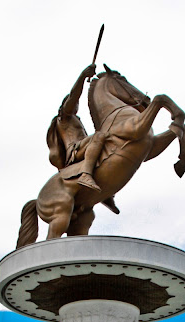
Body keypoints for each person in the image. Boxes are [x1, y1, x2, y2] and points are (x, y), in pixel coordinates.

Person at [46, 64, 120, 214]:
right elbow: (74, 95)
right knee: (99, 135)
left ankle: (106, 194)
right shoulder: (64, 117)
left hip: (83, 148)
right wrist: (83, 76)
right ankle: (86, 175)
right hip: (74, 150)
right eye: (74, 103)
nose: (76, 105)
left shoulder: (76, 119)